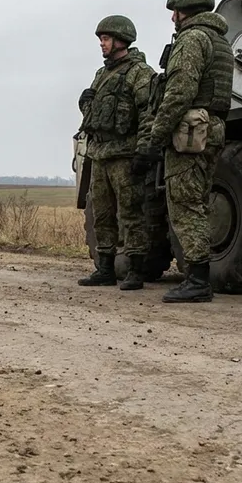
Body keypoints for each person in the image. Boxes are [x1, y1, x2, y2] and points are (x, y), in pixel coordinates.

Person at [135, 0, 234, 303]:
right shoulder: (220, 41)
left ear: (184, 10)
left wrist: (155, 136)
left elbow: (179, 92)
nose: (172, 18)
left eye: (174, 12)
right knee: (199, 203)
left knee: (185, 205)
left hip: (189, 132)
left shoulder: (192, 39)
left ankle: (197, 280)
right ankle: (199, 278)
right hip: (212, 128)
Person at [76, 15, 157, 291]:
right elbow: (96, 115)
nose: (102, 44)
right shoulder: (102, 74)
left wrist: (144, 149)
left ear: (121, 40)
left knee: (131, 213)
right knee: (102, 214)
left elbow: (148, 113)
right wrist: (85, 104)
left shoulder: (139, 73)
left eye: (106, 39)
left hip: (124, 154)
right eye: (101, 39)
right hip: (99, 154)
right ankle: (105, 269)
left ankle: (136, 270)